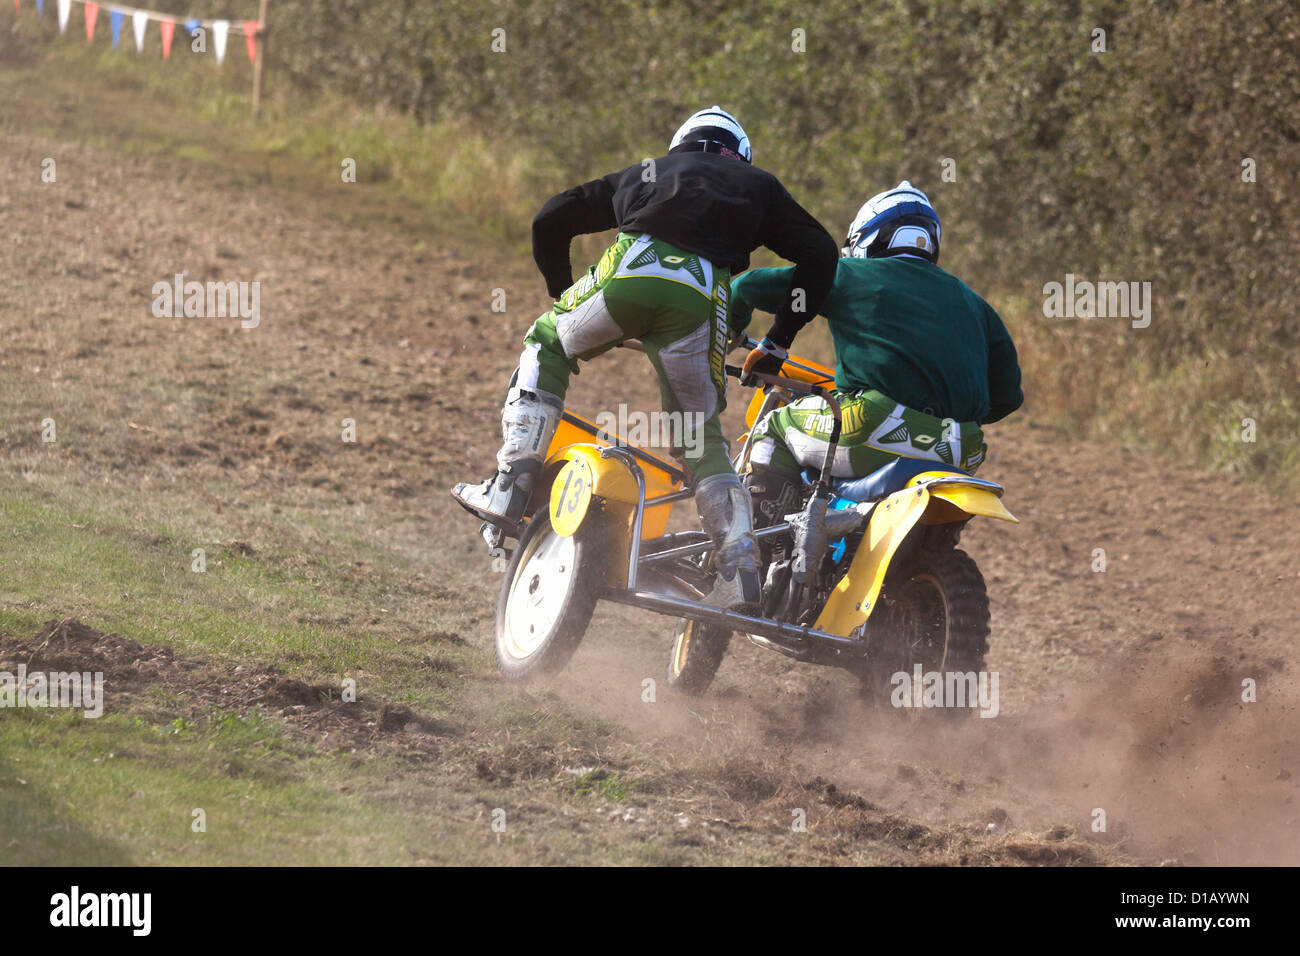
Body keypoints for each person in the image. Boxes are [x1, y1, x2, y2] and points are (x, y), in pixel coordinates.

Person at [452, 107, 839, 609]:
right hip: (704, 295)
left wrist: (564, 297)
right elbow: (822, 254)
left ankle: (510, 487)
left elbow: (550, 217)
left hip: (634, 268)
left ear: (681, 145)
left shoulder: (649, 171)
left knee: (546, 342)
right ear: (740, 155)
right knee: (702, 439)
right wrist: (779, 339)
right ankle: (739, 567)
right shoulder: (759, 186)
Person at [728, 181, 1023, 522]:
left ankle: (749, 558)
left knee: (773, 426)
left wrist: (732, 329)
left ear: (868, 238)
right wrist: (938, 412)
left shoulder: (851, 273)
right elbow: (1008, 397)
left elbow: (747, 286)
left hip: (873, 425)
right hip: (961, 447)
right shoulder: (974, 302)